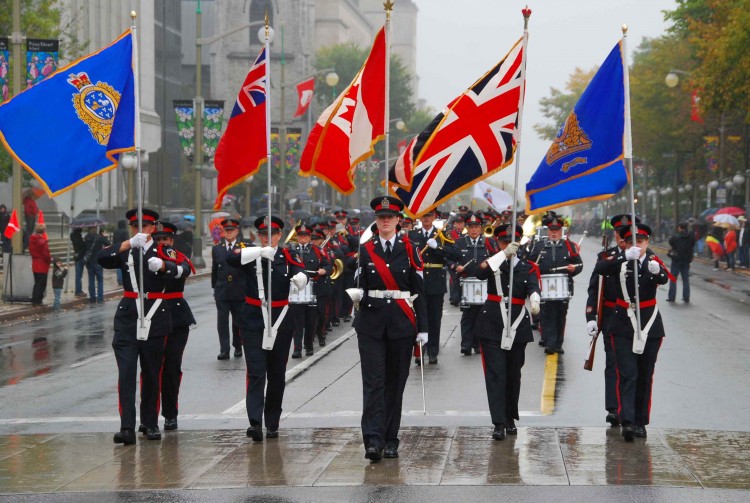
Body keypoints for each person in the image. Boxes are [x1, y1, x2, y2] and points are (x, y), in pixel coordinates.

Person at [347, 196, 427, 462]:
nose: (385, 221)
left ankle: (391, 439)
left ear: (397, 221)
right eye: (381, 217)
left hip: (401, 324)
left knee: (395, 384)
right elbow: (359, 282)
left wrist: (423, 328)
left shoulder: (410, 249)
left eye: (389, 217)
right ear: (376, 221)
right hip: (370, 323)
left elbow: (419, 291)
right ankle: (373, 439)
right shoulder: (365, 250)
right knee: (373, 383)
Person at [97, 208, 178, 445]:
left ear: (153, 228)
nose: (139, 230)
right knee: (126, 373)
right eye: (134, 226)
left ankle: (150, 423)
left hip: (155, 316)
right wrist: (127, 243)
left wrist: (162, 266)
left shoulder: (163, 250)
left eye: (143, 226)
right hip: (128, 317)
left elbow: (179, 270)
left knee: (152, 373)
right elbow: (101, 258)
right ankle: (126, 427)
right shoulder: (127, 248)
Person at [226, 215, 308, 441]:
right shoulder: (249, 255)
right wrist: (257, 252)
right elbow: (229, 258)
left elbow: (300, 271)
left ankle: (272, 421)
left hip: (280, 320)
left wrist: (301, 277)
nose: (267, 238)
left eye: (271, 234)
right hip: (253, 320)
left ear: (279, 235)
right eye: (263, 234)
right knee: (255, 372)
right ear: (257, 236)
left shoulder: (288, 255)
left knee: (276, 375)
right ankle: (255, 422)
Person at [594, 223, 670, 441]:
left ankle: (640, 421)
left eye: (641, 241)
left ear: (647, 242)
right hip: (623, 323)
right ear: (625, 244)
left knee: (645, 375)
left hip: (649, 324)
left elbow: (664, 278)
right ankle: (626, 420)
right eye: (632, 242)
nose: (638, 245)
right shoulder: (620, 261)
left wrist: (658, 272)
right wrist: (624, 256)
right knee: (627, 374)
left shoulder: (653, 262)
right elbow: (601, 268)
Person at [475, 224, 540, 440]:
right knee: (495, 373)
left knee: (513, 374)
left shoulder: (528, 267)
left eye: (512, 242)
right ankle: (498, 422)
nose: (508, 245)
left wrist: (535, 298)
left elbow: (533, 285)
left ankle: (510, 416)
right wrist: (502, 254)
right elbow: (478, 273)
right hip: (492, 323)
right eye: (503, 242)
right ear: (498, 243)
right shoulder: (493, 262)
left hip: (517, 325)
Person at [584, 214, 639, 427]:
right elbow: (594, 288)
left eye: (629, 234)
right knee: (613, 362)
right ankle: (614, 408)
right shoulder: (606, 256)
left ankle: (631, 409)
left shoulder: (642, 256)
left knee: (634, 364)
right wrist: (591, 316)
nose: (624, 238)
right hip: (610, 316)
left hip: (635, 316)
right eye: (621, 234)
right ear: (616, 235)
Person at [150, 221, 195, 431]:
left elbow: (182, 271)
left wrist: (164, 265)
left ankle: (170, 414)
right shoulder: (145, 258)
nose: (161, 243)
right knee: (151, 368)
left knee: (171, 367)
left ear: (172, 240)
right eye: (157, 239)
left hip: (176, 316)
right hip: (152, 315)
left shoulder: (179, 257)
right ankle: (148, 417)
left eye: (165, 239)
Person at [527, 213, 583, 354]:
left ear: (561, 231)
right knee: (546, 315)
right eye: (551, 230)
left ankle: (558, 343)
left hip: (563, 289)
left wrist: (574, 269)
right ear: (548, 231)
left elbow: (579, 264)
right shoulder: (539, 246)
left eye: (556, 230)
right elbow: (530, 265)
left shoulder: (569, 246)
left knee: (560, 315)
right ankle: (550, 343)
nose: (554, 233)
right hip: (544, 287)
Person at [408, 207, 457, 365]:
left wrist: (439, 247)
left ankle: (433, 351)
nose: (426, 219)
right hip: (417, 281)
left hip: (435, 281)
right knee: (419, 317)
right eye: (424, 216)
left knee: (434, 318)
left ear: (434, 216)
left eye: (429, 215)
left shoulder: (441, 234)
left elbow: (456, 254)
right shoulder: (412, 235)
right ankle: (420, 350)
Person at [451, 213, 499, 355]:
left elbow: (497, 258)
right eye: (471, 227)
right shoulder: (459, 243)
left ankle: (478, 344)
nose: (473, 230)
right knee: (467, 315)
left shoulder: (489, 243)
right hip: (465, 283)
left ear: (481, 228)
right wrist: (455, 267)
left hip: (484, 283)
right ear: (467, 228)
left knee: (482, 315)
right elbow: (450, 260)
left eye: (476, 227)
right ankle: (466, 344)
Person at [289, 223, 331, 358]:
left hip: (313, 288)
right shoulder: (291, 250)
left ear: (309, 237)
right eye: (300, 236)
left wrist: (323, 270)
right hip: (296, 289)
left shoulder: (317, 250)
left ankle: (308, 345)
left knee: (310, 319)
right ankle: (297, 348)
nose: (302, 238)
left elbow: (328, 264)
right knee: (297, 321)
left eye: (305, 236)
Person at [211, 218, 246, 360]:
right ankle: (224, 350)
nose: (229, 233)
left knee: (238, 321)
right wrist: (215, 287)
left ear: (237, 231)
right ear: (223, 232)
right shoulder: (217, 248)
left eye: (232, 230)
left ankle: (237, 346)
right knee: (222, 322)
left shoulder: (243, 247)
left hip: (238, 290)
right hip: (222, 291)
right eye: (227, 230)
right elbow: (215, 270)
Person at [667, 222, 696, 303]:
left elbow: (671, 242)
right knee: (685, 279)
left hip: (676, 259)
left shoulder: (675, 237)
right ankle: (686, 297)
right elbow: (692, 245)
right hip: (686, 260)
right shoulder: (691, 237)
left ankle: (672, 297)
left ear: (679, 228)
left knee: (673, 278)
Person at [84, 226, 108, 303]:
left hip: (89, 262)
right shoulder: (99, 237)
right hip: (98, 261)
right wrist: (104, 237)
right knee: (100, 280)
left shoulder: (86, 237)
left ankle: (92, 298)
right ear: (94, 229)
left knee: (91, 280)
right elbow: (108, 244)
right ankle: (100, 299)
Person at [29, 224, 51, 306]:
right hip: (42, 265)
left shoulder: (32, 240)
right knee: (42, 284)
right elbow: (46, 255)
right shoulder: (43, 242)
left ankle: (34, 299)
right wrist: (49, 261)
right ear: (44, 231)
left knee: (37, 283)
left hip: (35, 263)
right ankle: (38, 300)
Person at [70, 228, 87, 297]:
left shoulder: (73, 236)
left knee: (78, 275)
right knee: (79, 275)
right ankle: (78, 291)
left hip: (76, 256)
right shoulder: (78, 238)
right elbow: (82, 247)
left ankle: (78, 290)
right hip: (80, 257)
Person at [112, 219, 129, 285]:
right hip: (124, 250)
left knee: (118, 266)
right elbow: (127, 241)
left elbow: (113, 241)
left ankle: (119, 279)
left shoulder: (115, 232)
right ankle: (123, 279)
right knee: (124, 265)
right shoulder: (125, 232)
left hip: (116, 250)